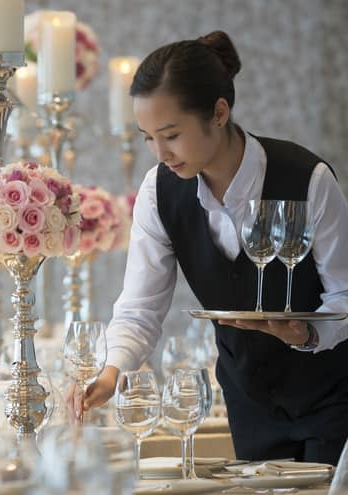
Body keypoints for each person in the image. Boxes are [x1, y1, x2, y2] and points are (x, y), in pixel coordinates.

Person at [69, 30, 348, 464]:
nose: (160, 152)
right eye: (147, 137)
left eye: (171, 134)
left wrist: (307, 332)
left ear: (219, 113)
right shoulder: (158, 191)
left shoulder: (307, 178)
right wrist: (109, 374)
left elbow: (345, 294)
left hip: (333, 396)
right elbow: (140, 309)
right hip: (249, 401)